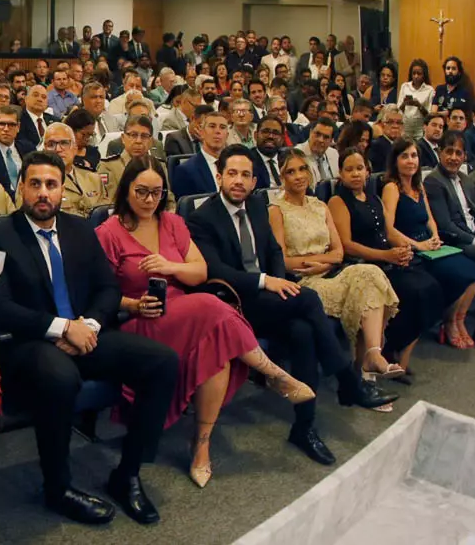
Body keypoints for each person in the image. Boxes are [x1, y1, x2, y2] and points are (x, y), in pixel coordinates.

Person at [0, 151, 178, 526]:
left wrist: (90, 326)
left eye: (51, 185)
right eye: (34, 183)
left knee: (163, 361)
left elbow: (107, 289)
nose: (42, 193)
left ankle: (127, 473)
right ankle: (58, 487)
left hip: (85, 331)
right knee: (60, 377)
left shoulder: (79, 228)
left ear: (62, 190)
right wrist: (63, 328)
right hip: (28, 341)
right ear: (21, 187)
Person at [97, 157, 311, 487]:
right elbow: (101, 294)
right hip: (142, 318)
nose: (149, 200)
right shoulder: (108, 233)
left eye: (156, 192)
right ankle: (273, 374)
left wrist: (170, 267)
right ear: (125, 190)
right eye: (141, 191)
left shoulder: (171, 223)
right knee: (211, 307)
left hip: (189, 311)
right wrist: (135, 304)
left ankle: (202, 445)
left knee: (219, 349)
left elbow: (200, 271)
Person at [187, 146, 397, 466]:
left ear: (255, 180)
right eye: (232, 173)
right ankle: (346, 381)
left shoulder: (257, 206)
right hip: (232, 303)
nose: (239, 181)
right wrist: (264, 282)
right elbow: (214, 270)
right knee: (310, 300)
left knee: (303, 332)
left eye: (245, 175)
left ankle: (304, 426)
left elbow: (272, 250)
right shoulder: (202, 218)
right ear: (219, 177)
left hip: (268, 298)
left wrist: (274, 278)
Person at [268, 150, 403, 380]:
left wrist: (322, 262)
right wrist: (323, 261)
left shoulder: (320, 205)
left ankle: (371, 355)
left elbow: (339, 252)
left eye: (302, 169)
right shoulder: (276, 210)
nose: (299, 176)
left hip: (331, 272)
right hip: (303, 281)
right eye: (291, 172)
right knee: (365, 289)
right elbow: (282, 261)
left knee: (370, 273)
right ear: (282, 177)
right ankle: (364, 372)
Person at [327, 148, 441, 377]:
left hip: (386, 259)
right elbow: (347, 245)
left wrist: (405, 248)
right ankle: (388, 353)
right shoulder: (337, 201)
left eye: (359, 168)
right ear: (340, 173)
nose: (355, 174)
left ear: (368, 172)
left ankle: (396, 349)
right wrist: (386, 256)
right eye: (349, 169)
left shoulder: (374, 198)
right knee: (415, 291)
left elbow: (389, 233)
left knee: (432, 287)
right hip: (363, 265)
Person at [382, 139, 475, 349]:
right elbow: (389, 231)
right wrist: (419, 245)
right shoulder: (392, 188)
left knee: (472, 271)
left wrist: (434, 236)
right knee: (460, 274)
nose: (411, 161)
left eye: (414, 156)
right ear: (395, 161)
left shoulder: (418, 186)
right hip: (410, 248)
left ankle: (457, 321)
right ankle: (448, 322)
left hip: (429, 245)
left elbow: (430, 219)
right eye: (405, 156)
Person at [424, 131, 475, 347]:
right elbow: (446, 226)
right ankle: (464, 325)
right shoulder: (434, 181)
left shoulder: (464, 179)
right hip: (453, 240)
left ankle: (461, 321)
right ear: (440, 153)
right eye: (448, 151)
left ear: (464, 157)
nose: (453, 157)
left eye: (458, 153)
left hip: (473, 233)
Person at [43, 123, 104, 218]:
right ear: (44, 150)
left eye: (64, 143)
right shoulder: (36, 181)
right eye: (51, 144)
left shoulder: (93, 178)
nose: (58, 149)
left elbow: (105, 213)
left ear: (75, 148)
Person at [172, 108, 228, 198]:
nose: (217, 131)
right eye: (212, 126)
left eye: (222, 127)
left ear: (227, 135)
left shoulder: (234, 167)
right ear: (201, 132)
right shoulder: (185, 171)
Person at [296, 117, 338, 187]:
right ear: (310, 132)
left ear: (331, 141)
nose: (320, 140)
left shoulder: (334, 154)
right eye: (317, 134)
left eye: (326, 137)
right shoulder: (297, 154)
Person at [370, 105, 405, 172]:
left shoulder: (405, 146)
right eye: (390, 122)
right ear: (382, 125)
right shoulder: (375, 146)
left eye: (399, 123)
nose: (395, 126)